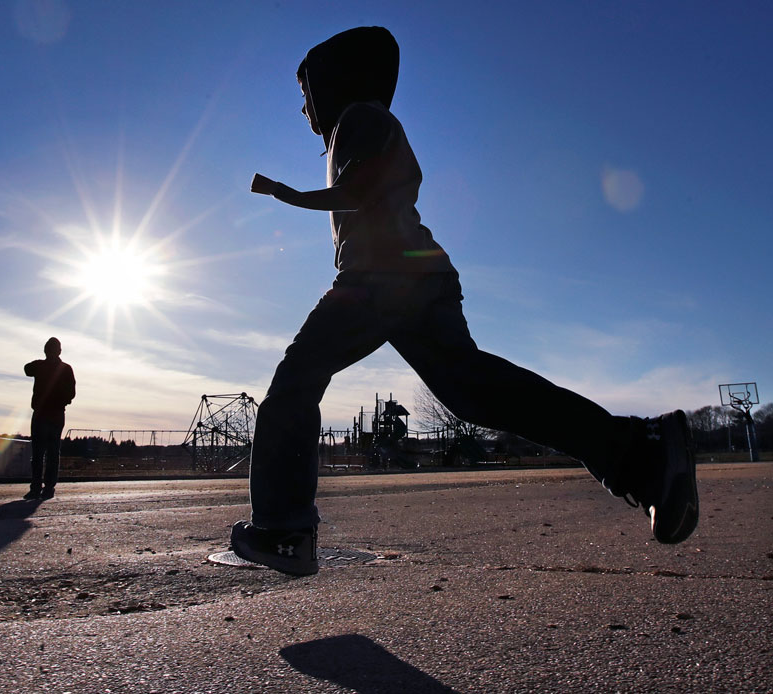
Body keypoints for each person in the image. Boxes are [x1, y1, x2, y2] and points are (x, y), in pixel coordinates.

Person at [233, 26, 698, 575]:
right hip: (416, 276)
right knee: (476, 393)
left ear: (333, 84)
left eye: (307, 94)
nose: (303, 108)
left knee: (295, 383)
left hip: (380, 279)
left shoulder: (360, 118)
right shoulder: (364, 124)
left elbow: (358, 193)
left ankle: (284, 530)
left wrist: (281, 193)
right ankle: (640, 453)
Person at [23, 337, 76, 500]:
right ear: (59, 351)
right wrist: (61, 402)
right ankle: (46, 487)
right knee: (51, 452)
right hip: (54, 414)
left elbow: (27, 369)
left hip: (44, 413)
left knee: (40, 452)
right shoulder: (65, 368)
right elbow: (71, 393)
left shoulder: (42, 366)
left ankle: (38, 487)